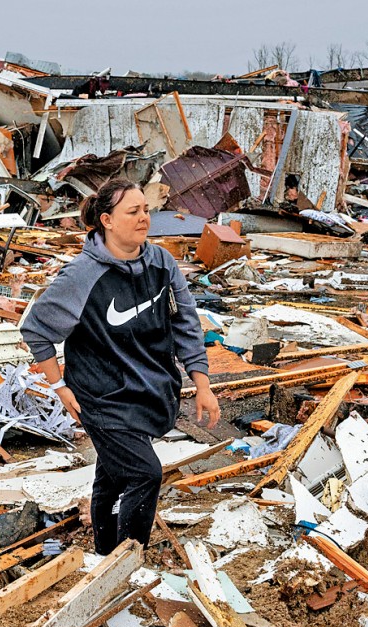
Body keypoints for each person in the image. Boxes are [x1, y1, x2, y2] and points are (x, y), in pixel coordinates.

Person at [20, 178, 220, 555]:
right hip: (101, 397)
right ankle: (128, 561)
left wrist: (202, 382)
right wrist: (60, 387)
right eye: (134, 212)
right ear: (107, 220)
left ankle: (103, 556)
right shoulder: (81, 276)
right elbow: (36, 330)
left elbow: (186, 323)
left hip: (146, 391)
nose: (144, 218)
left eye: (146, 210)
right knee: (145, 474)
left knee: (111, 477)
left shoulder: (161, 262)